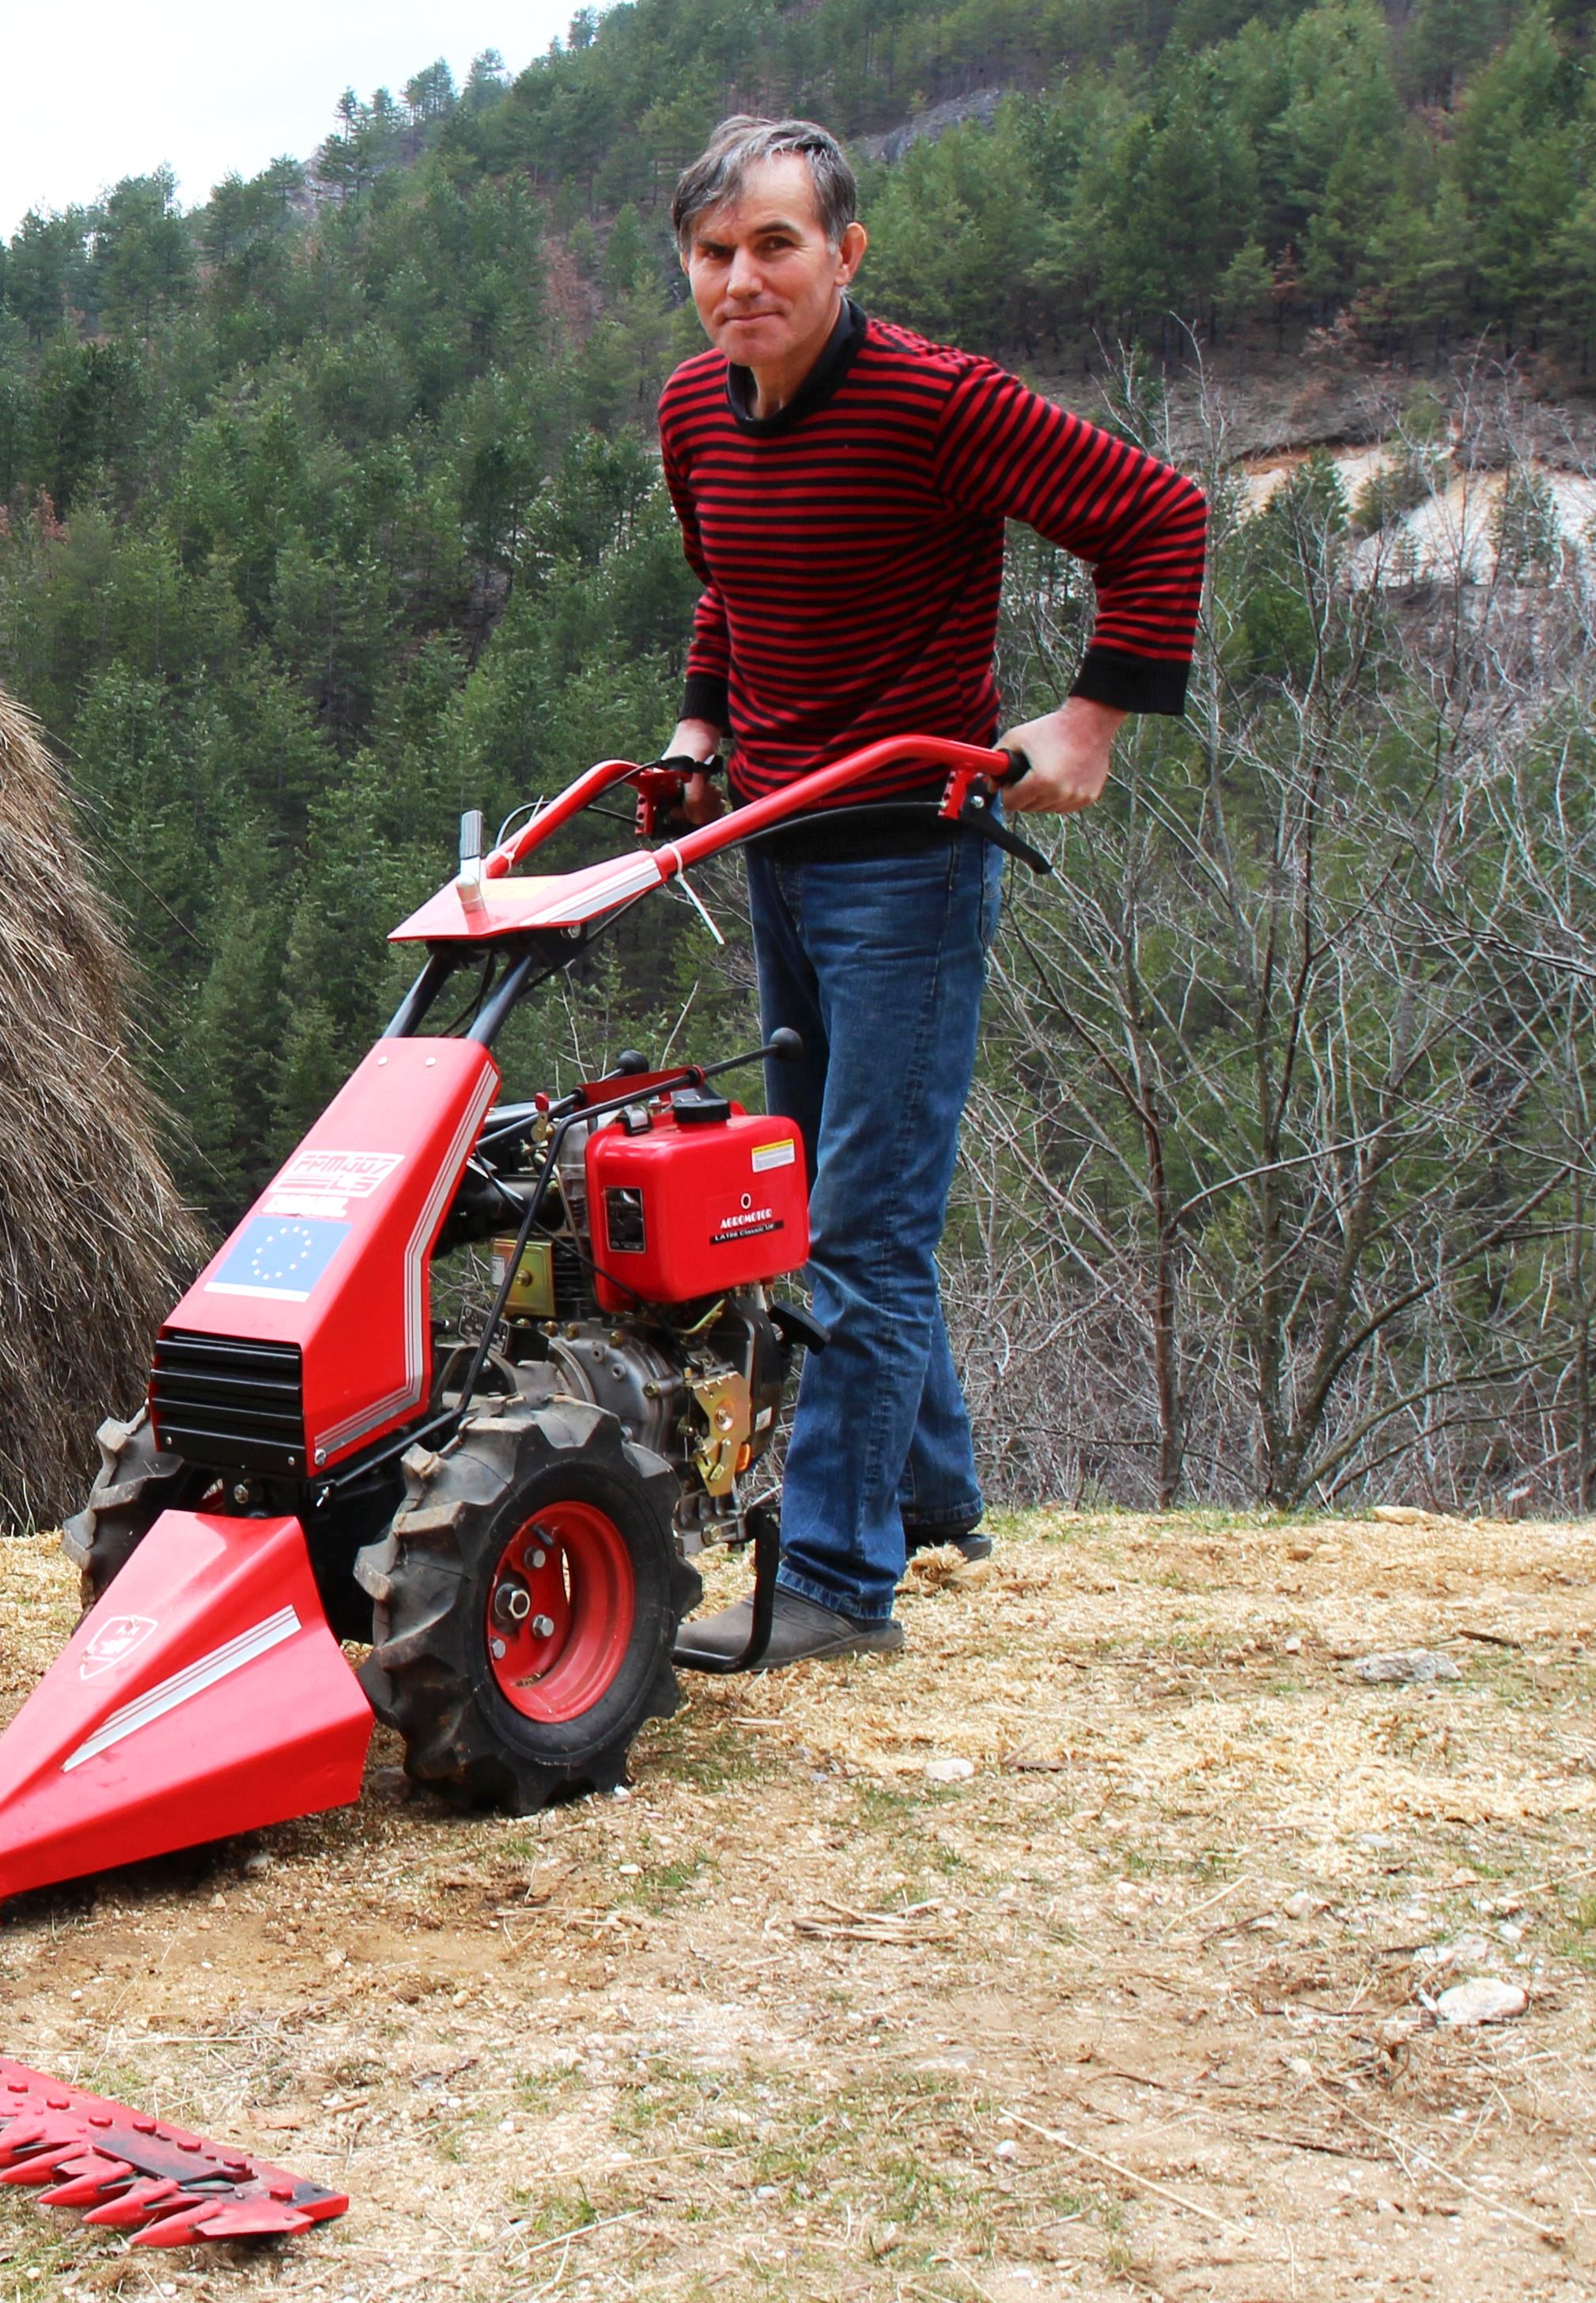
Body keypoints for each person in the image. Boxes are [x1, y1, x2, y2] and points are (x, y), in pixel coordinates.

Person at [645, 117, 1208, 1671]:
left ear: (845, 252)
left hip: (912, 857)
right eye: (716, 253)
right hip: (779, 840)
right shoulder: (699, 409)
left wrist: (1087, 721)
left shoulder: (937, 403)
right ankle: (937, 1494)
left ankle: (834, 1576)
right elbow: (729, 589)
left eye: (776, 245)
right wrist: (700, 732)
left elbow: (1159, 517)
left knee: (862, 1226)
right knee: (835, 1197)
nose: (743, 279)